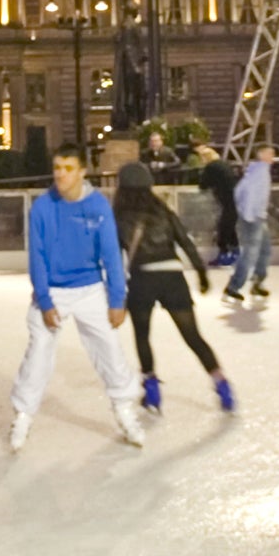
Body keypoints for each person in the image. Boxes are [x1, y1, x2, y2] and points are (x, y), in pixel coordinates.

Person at [9, 149, 144, 452]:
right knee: (39, 351)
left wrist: (117, 298)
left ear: (82, 172)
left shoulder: (97, 206)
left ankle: (124, 409)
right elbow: (37, 257)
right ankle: (23, 414)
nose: (61, 174)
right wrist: (44, 300)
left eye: (68, 168)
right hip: (53, 290)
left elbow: (111, 254)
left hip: (90, 289)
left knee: (108, 347)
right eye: (57, 167)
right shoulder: (43, 207)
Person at [115, 161, 233, 414]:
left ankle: (152, 388)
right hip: (172, 276)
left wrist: (116, 293)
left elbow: (114, 258)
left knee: (143, 336)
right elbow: (186, 243)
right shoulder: (163, 211)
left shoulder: (119, 216)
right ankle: (221, 383)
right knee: (193, 336)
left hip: (142, 278)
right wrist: (201, 273)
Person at [222, 144, 276, 303]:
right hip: (254, 218)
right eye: (269, 152)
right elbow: (250, 194)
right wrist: (249, 215)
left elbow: (239, 191)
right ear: (260, 154)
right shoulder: (260, 172)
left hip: (255, 216)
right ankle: (234, 286)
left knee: (265, 249)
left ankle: (258, 281)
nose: (272, 154)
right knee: (250, 253)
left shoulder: (254, 170)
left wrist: (241, 209)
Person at [196, 147, 240, 266]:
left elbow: (203, 185)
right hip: (236, 201)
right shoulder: (224, 164)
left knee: (224, 228)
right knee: (229, 227)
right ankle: (235, 253)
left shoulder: (211, 167)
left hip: (227, 201)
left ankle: (225, 254)